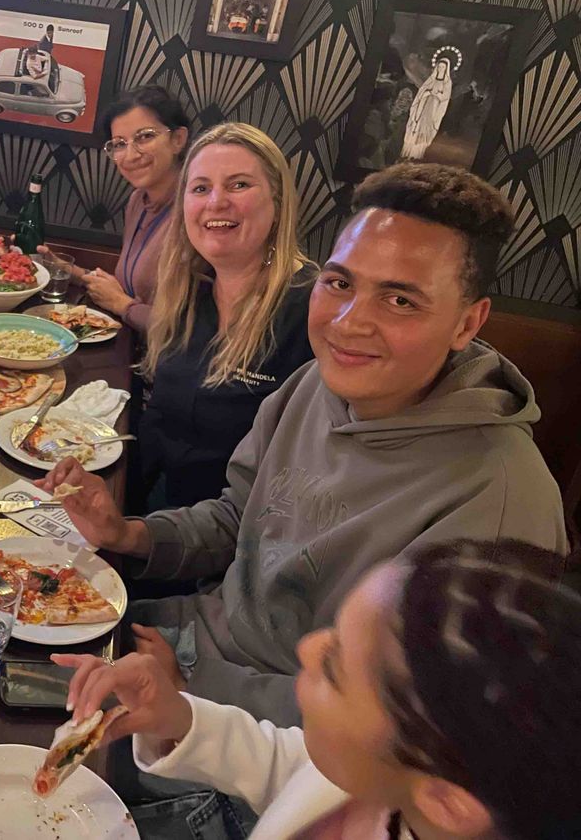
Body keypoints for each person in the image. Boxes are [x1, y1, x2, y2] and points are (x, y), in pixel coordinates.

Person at [39, 162, 568, 727]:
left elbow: (408, 730)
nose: (348, 322)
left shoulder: (501, 502)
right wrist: (128, 533)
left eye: (400, 301)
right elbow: (238, 519)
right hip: (186, 637)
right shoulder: (315, 382)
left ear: (468, 323)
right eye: (340, 283)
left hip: (265, 742)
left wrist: (191, 683)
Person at [57, 539, 581, 840]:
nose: (308, 647)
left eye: (334, 667)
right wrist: (181, 721)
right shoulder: (387, 777)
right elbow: (301, 772)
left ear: (446, 802)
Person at [136, 123, 315, 510]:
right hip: (152, 512)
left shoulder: (314, 306)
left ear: (278, 200)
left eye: (238, 185)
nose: (216, 202)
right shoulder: (189, 287)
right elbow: (160, 420)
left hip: (235, 539)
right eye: (200, 188)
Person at [43, 86, 189, 332]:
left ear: (178, 140)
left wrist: (123, 305)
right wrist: (65, 270)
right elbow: (129, 288)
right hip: (129, 348)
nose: (130, 155)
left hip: (163, 365)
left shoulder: (197, 214)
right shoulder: (137, 201)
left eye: (145, 136)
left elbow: (188, 331)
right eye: (119, 144)